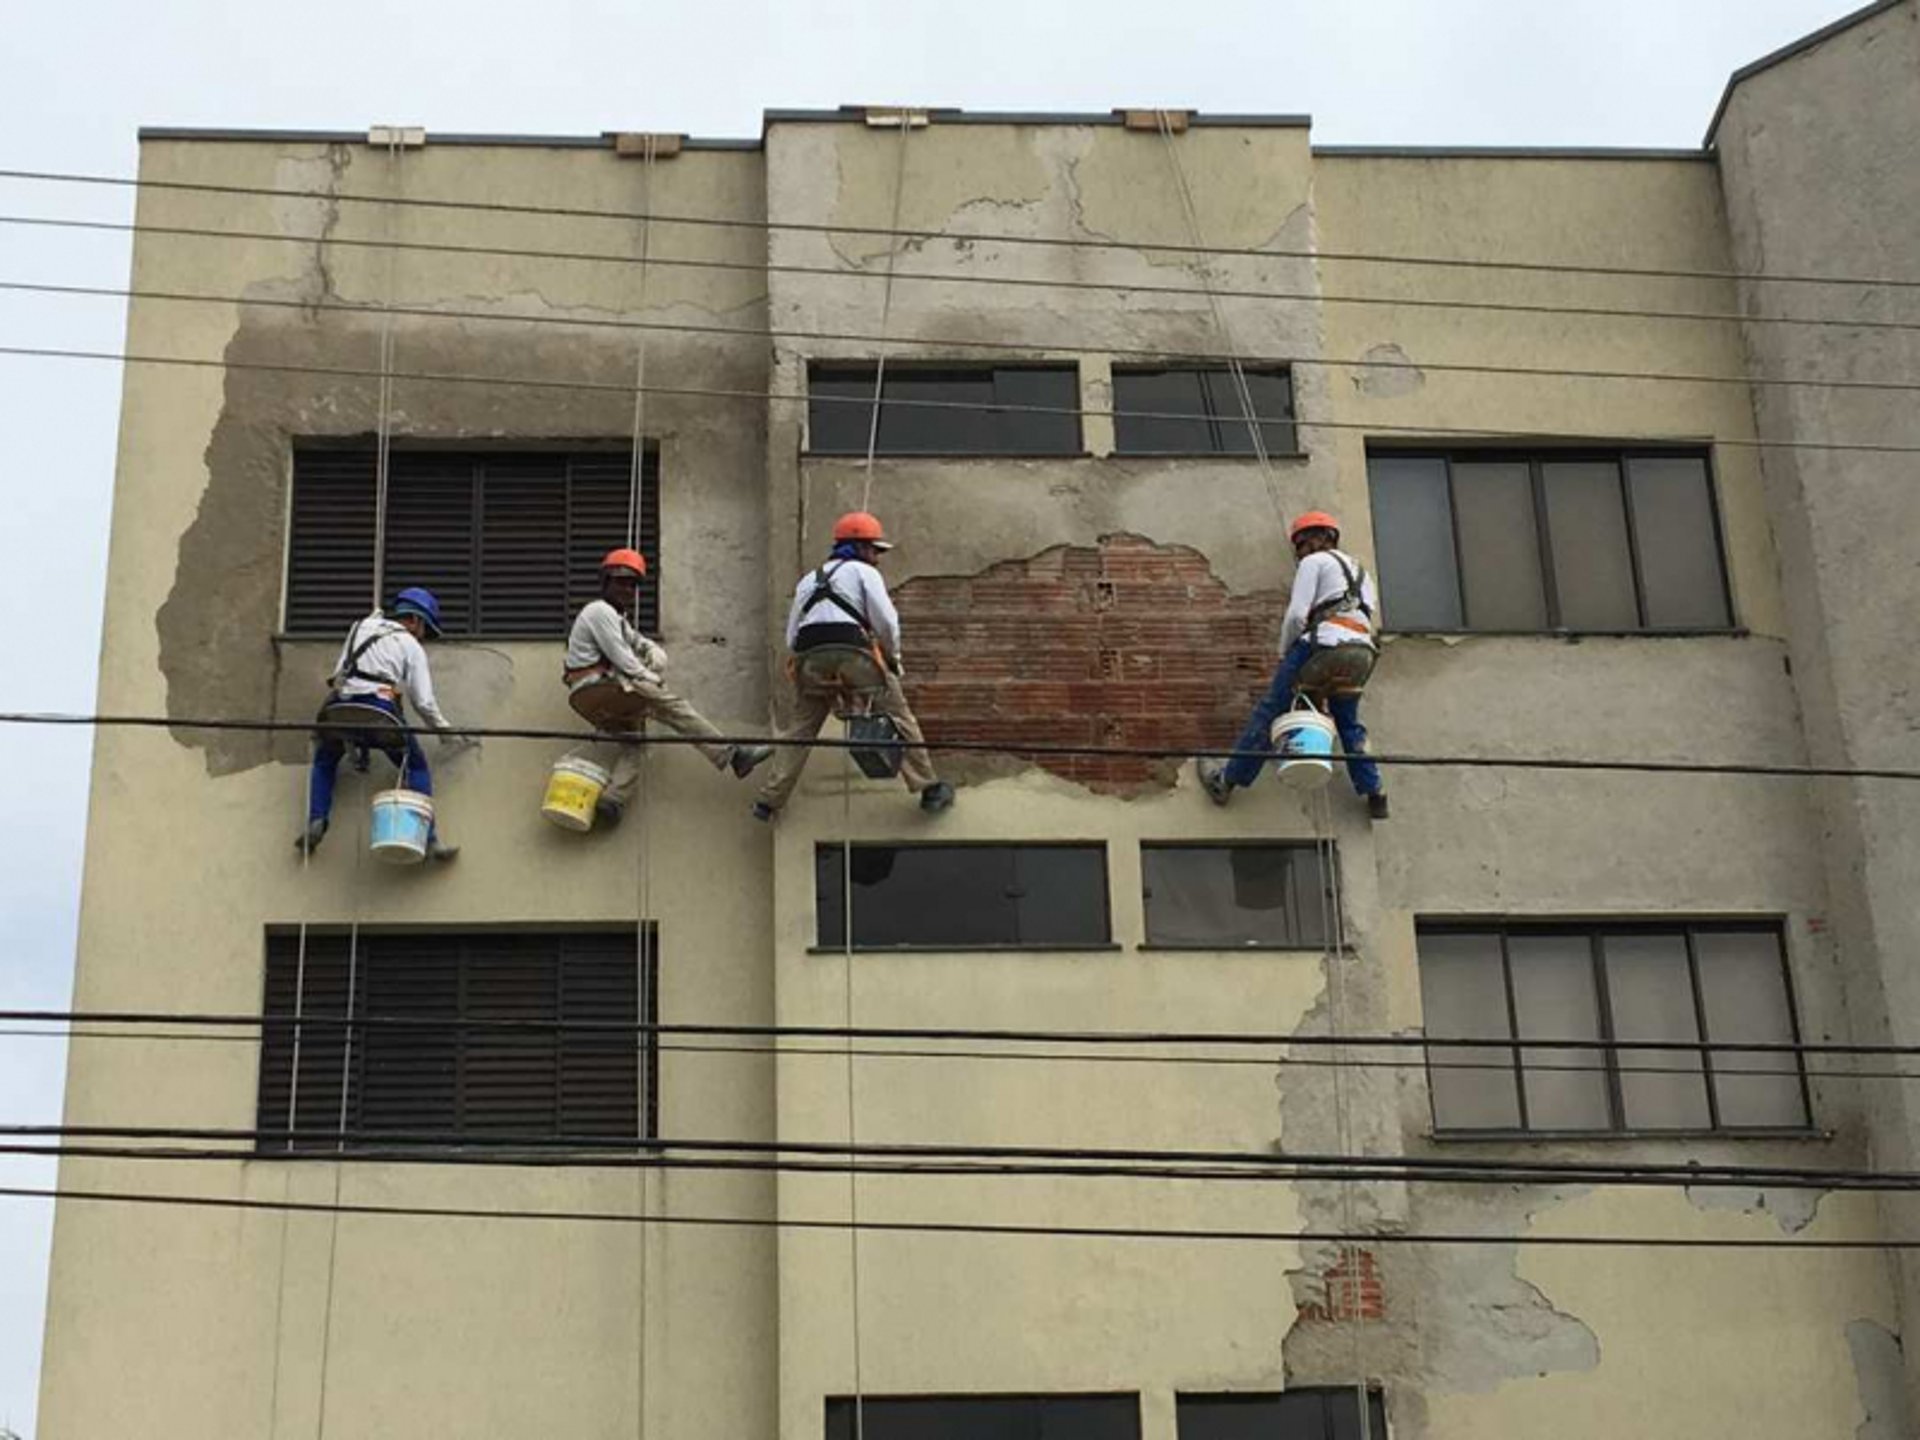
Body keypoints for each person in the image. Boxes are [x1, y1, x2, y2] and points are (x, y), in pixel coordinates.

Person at [753, 511, 953, 820]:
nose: (877, 557)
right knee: (897, 714)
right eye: (874, 549)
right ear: (859, 548)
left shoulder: (808, 579)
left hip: (809, 658)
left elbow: (792, 635)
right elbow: (886, 622)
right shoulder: (864, 572)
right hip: (852, 652)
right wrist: (893, 659)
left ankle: (768, 801)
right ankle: (929, 787)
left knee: (801, 729)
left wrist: (817, 668)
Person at [562, 547, 772, 827]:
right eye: (620, 582)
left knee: (635, 743)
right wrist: (653, 681)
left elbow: (636, 642)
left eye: (632, 584)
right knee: (671, 705)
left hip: (594, 697)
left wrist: (651, 649)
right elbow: (623, 660)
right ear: (606, 583)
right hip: (597, 687)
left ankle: (613, 800)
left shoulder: (618, 621)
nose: (626, 589)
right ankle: (731, 755)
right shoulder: (598, 611)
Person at [1199, 510, 1389, 818]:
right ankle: (1375, 791)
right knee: (1349, 722)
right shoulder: (1363, 573)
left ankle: (1228, 780)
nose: (1299, 554)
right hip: (1362, 653)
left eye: (1299, 547)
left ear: (1307, 541)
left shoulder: (1314, 563)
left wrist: (1285, 653)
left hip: (1324, 643)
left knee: (1271, 708)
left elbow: (1297, 615)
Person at [298, 586, 466, 858]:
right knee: (415, 765)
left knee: (325, 760)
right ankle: (430, 839)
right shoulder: (409, 644)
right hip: (378, 711)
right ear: (415, 620)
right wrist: (446, 733)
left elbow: (340, 671)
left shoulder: (360, 626)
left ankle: (316, 820)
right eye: (424, 630)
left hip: (340, 707)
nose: (423, 638)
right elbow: (423, 702)